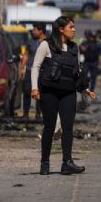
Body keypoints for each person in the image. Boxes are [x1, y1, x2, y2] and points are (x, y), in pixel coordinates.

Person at [31, 16, 96, 175]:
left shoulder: (75, 48)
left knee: (67, 126)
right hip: (50, 91)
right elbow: (35, 66)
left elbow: (77, 72)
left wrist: (85, 89)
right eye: (71, 27)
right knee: (50, 127)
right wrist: (34, 88)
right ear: (61, 29)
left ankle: (67, 162)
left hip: (68, 92)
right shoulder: (46, 45)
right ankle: (44, 162)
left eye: (74, 27)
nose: (74, 30)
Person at [22, 23, 46, 121]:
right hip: (30, 70)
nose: (33, 31)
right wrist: (22, 68)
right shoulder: (30, 42)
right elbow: (26, 55)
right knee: (27, 91)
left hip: (42, 72)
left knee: (40, 92)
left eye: (35, 30)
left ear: (40, 31)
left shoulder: (47, 42)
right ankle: (25, 114)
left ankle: (38, 114)